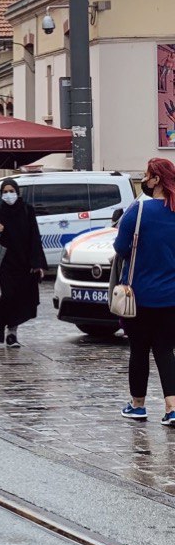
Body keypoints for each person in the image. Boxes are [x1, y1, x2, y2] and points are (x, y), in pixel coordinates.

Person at [116, 158, 175, 424]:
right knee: (165, 350)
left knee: (139, 349)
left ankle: (137, 405)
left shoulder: (137, 211)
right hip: (171, 296)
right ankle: (172, 407)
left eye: (147, 175)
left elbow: (120, 248)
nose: (144, 179)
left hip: (139, 296)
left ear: (156, 180)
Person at [0, 179, 47, 348]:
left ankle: (12, 333)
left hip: (24, 262)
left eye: (11, 191)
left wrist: (38, 263)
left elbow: (35, 236)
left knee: (21, 299)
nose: (8, 194)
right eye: (5, 191)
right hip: (4, 262)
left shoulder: (27, 211)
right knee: (8, 295)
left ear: (17, 192)